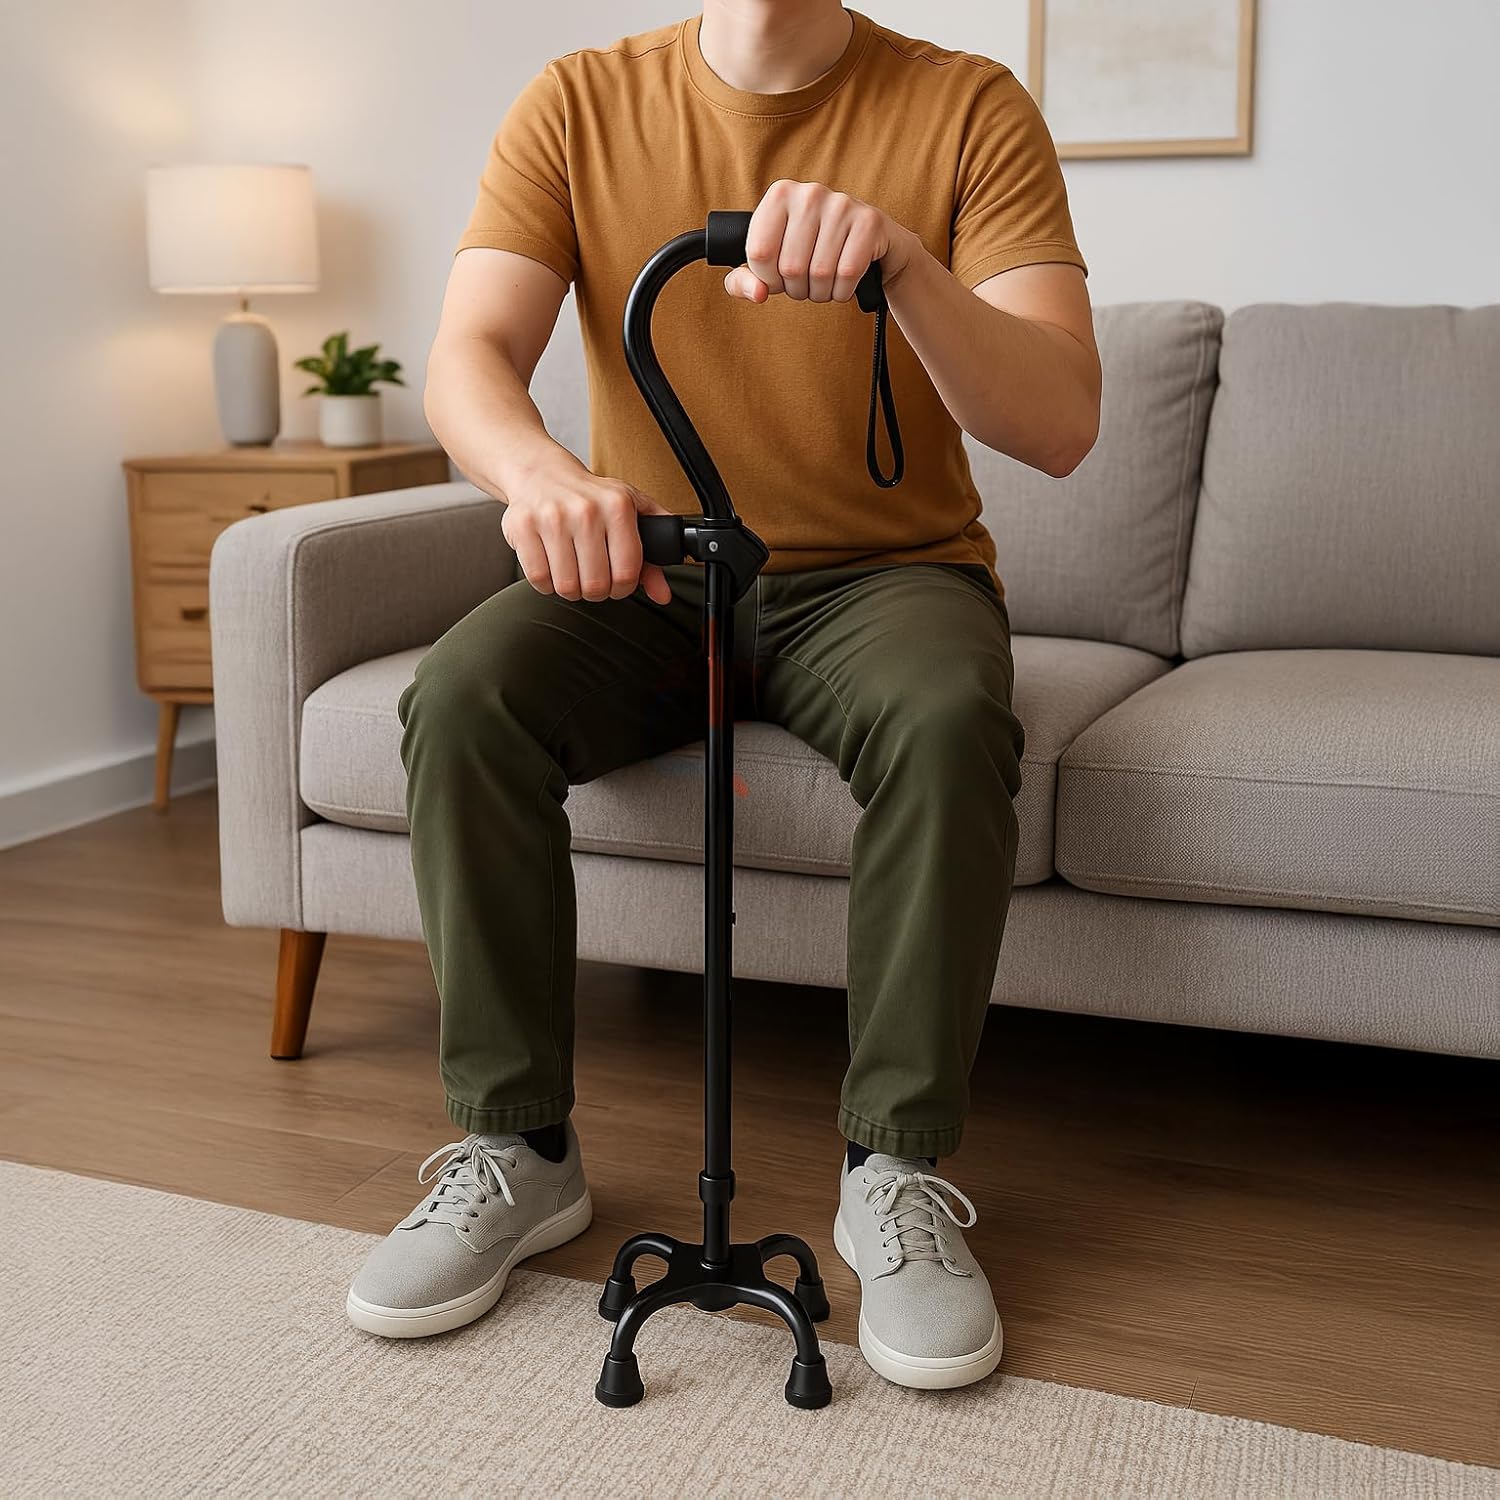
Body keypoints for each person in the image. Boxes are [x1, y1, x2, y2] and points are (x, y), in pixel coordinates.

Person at [346, 1, 1098, 1392]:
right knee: (460, 697)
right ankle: (519, 1148)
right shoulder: (576, 101)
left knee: (947, 723)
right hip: (657, 567)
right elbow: (468, 359)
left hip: (884, 576)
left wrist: (908, 267)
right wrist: (539, 478)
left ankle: (895, 1172)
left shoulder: (970, 105)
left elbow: (1059, 421)